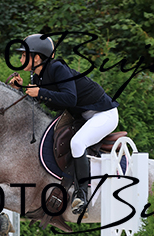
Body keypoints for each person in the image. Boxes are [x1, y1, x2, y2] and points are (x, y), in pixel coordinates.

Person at [8, 33, 119, 216]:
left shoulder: (57, 68)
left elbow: (70, 98)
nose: (20, 59)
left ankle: (81, 196)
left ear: (37, 58)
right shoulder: (37, 77)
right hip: (82, 116)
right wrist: (23, 89)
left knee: (77, 143)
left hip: (103, 114)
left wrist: (40, 92)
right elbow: (48, 102)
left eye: (24, 55)